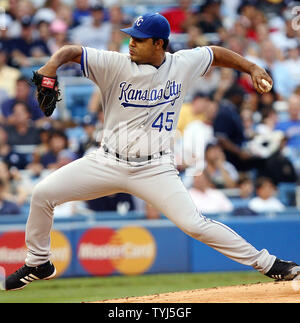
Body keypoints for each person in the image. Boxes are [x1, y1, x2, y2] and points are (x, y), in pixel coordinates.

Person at [5, 13, 300, 291]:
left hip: (154, 168)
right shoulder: (115, 63)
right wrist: (49, 69)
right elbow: (69, 51)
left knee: (194, 224)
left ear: (159, 43)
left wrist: (251, 67)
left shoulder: (182, 63)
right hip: (107, 161)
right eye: (131, 36)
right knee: (42, 194)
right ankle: (38, 262)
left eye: (140, 38)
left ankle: (268, 263)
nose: (131, 42)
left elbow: (215, 52)